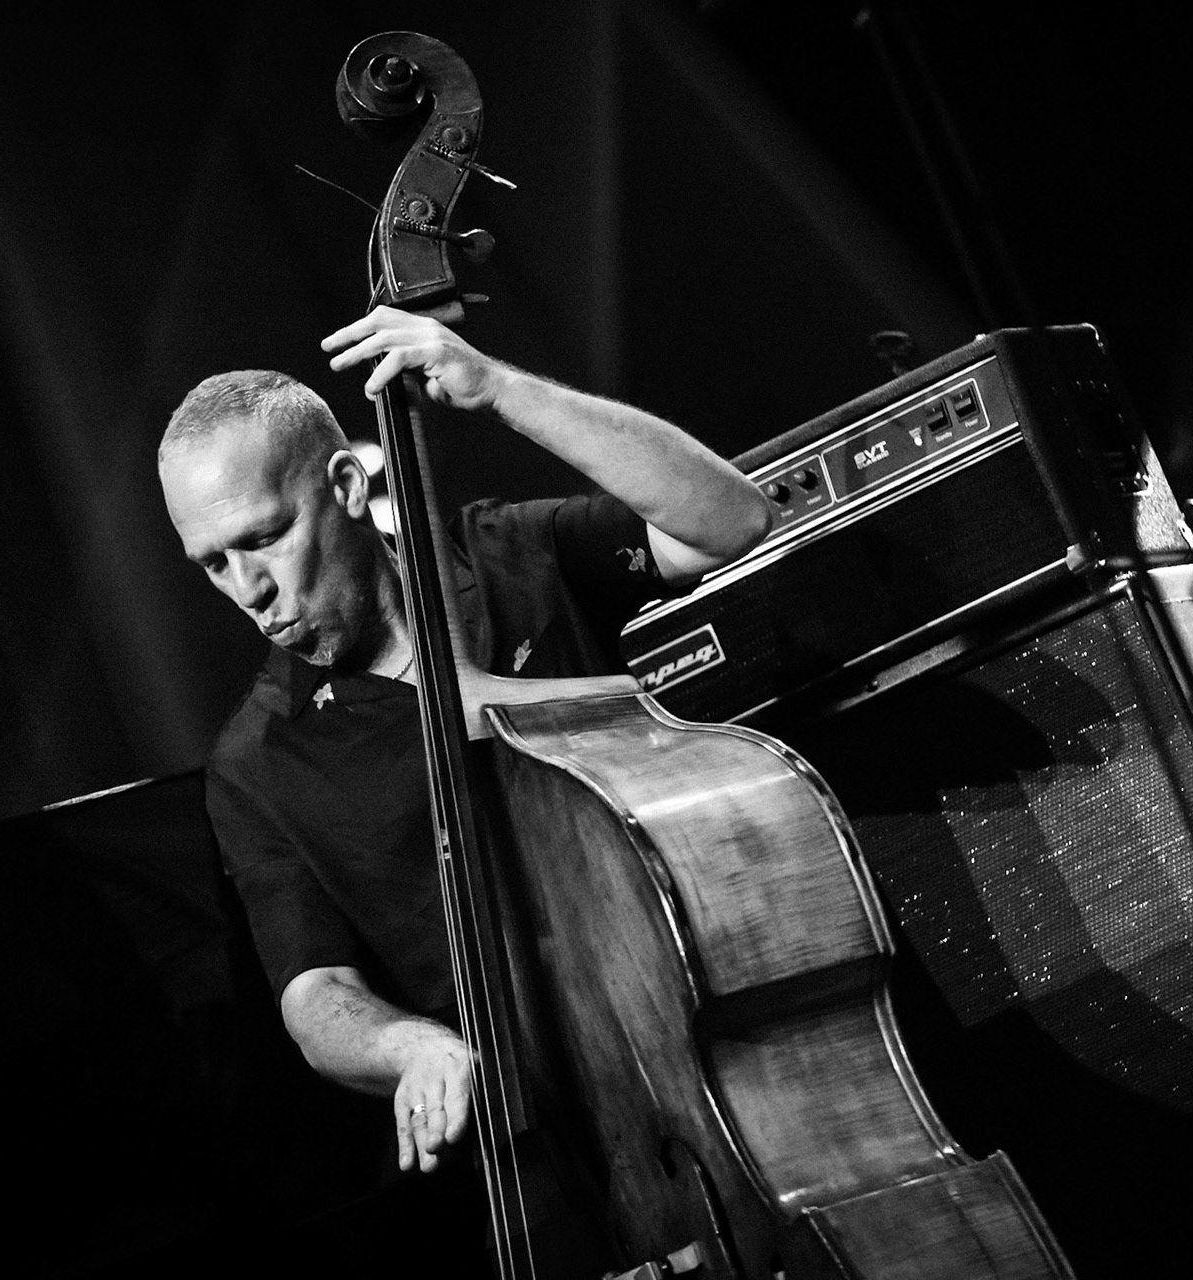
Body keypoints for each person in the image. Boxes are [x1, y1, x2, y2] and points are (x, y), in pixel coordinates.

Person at [157, 306, 769, 1184]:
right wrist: (407, 1046)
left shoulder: (509, 553)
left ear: (344, 485)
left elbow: (732, 519)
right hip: (565, 1150)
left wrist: (501, 389)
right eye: (213, 564)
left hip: (729, 1019)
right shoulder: (258, 762)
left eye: (261, 538)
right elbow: (312, 996)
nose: (248, 590)